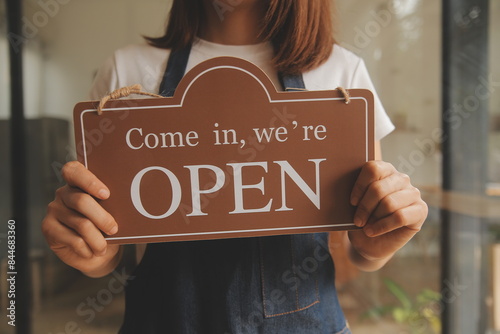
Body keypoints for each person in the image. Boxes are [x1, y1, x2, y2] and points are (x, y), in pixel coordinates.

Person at [42, 0, 428, 333]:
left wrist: (377, 243)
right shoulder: (125, 74)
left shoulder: (342, 74)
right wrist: (92, 253)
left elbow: (362, 245)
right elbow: (109, 243)